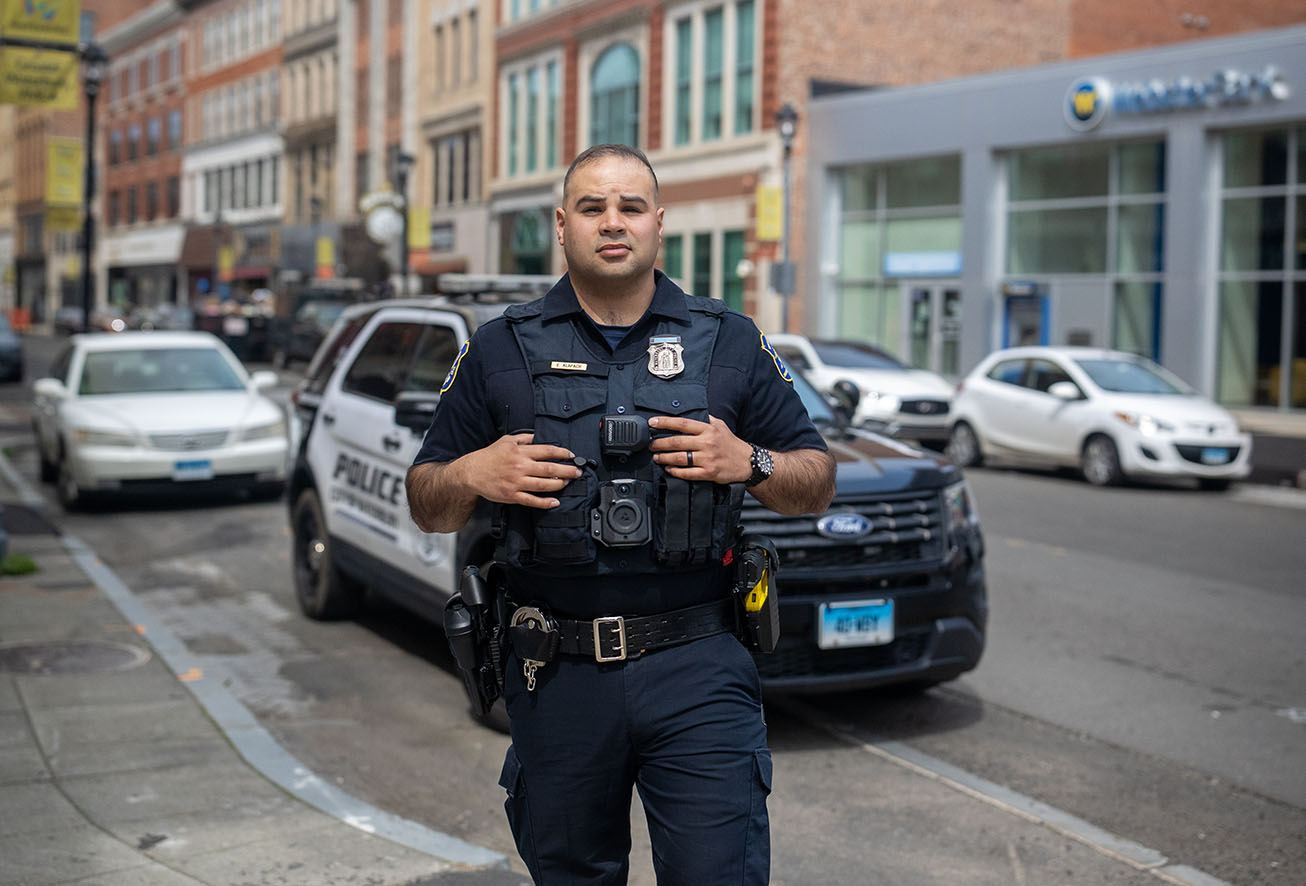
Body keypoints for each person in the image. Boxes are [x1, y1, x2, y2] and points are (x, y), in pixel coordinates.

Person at [406, 144, 835, 885]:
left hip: (699, 667)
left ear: (658, 223)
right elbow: (425, 501)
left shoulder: (729, 340)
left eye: (631, 207)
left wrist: (751, 462)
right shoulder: (499, 347)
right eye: (594, 208)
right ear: (563, 224)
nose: (614, 223)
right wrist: (475, 473)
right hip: (558, 671)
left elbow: (817, 480)